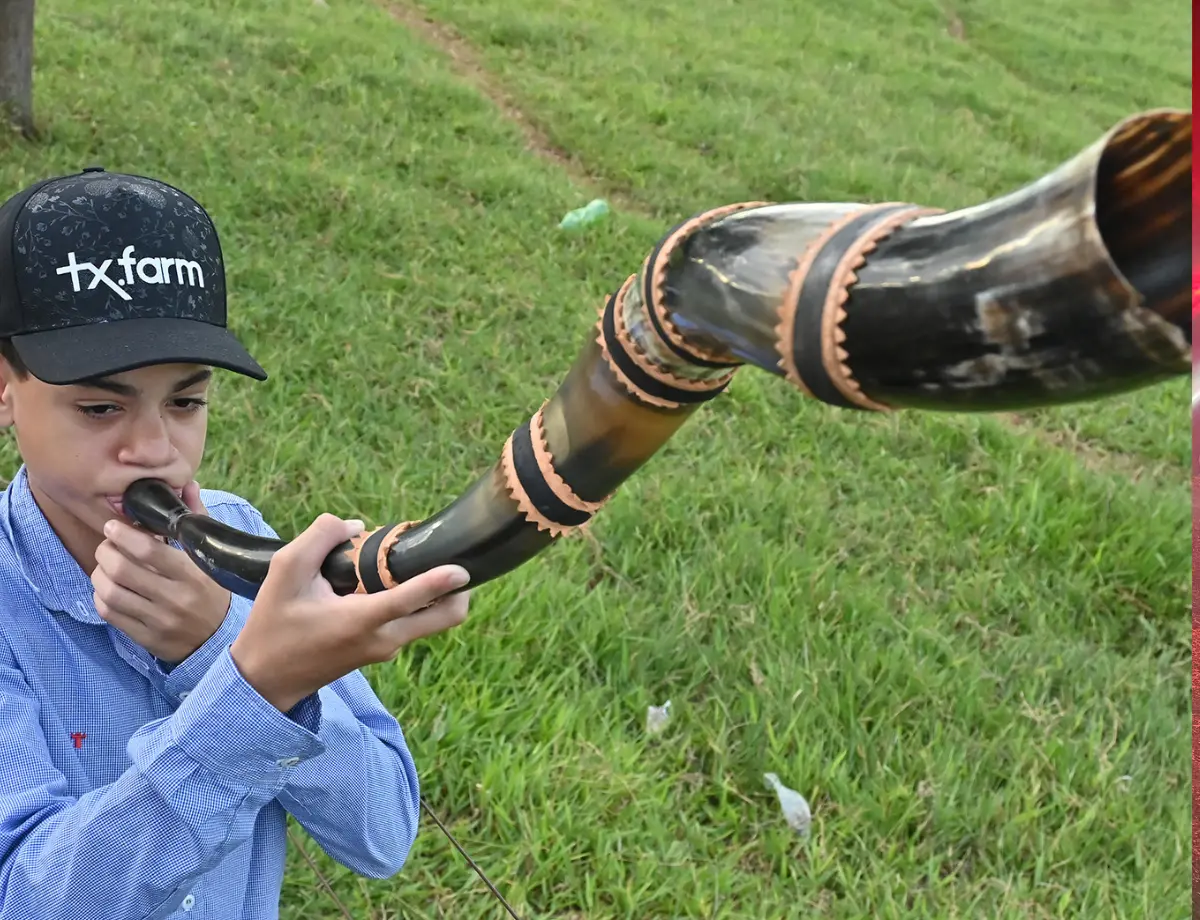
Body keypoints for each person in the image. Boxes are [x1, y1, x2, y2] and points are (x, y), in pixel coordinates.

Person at [0, 167, 472, 919]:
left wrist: (220, 643)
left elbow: (383, 834)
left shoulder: (243, 539)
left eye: (186, 401)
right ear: (4, 388)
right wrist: (250, 689)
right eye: (99, 406)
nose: (155, 449)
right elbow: (24, 896)